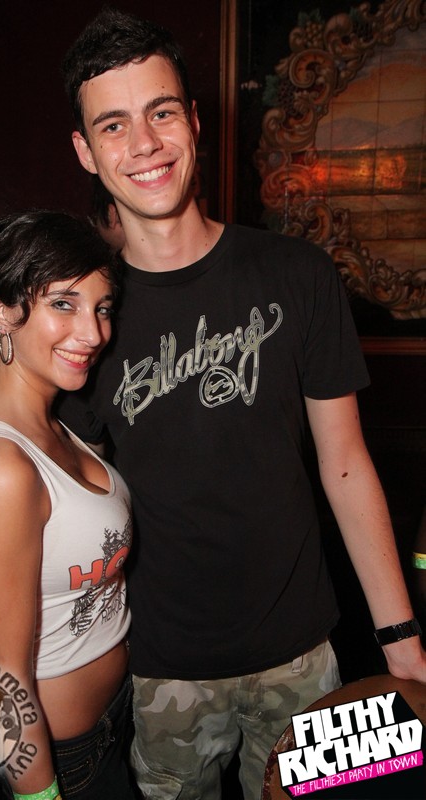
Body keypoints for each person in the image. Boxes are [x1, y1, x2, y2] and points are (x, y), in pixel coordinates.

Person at [59, 8, 426, 799]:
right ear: (86, 151)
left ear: (194, 121)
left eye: (160, 112)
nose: (144, 143)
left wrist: (399, 636)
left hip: (304, 655)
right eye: (113, 125)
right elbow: (52, 482)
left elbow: (345, 464)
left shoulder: (297, 274)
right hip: (160, 666)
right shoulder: (80, 316)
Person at [0, 211, 136, 799]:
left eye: (101, 307)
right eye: (64, 304)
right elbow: (2, 682)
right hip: (67, 759)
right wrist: (40, 795)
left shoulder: (50, 420)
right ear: (2, 312)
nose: (93, 333)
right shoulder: (0, 465)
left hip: (114, 719)